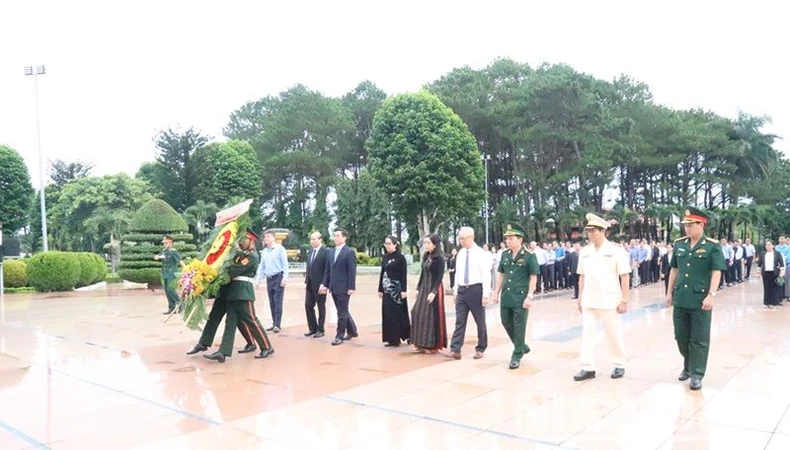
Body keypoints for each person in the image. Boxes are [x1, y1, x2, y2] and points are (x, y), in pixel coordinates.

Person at [666, 207, 726, 390]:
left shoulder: (712, 245)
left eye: (690, 225)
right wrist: (669, 293)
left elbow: (716, 271)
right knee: (681, 337)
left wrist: (711, 295)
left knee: (699, 339)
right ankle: (688, 365)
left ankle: (696, 373)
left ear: (701, 224)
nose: (687, 229)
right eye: (685, 226)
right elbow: (674, 269)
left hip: (701, 300)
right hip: (681, 298)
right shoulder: (679, 244)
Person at [573, 213, 631, 382]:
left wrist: (625, 299)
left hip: (609, 299)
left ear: (603, 231)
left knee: (613, 333)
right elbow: (581, 276)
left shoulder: (616, 250)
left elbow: (625, 275)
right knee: (587, 334)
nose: (590, 234)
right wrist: (579, 297)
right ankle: (587, 367)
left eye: (593, 231)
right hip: (589, 299)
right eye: (588, 231)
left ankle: (619, 364)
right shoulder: (584, 252)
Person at [203, 229, 274, 362]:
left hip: (243, 293)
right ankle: (223, 352)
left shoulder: (252, 256)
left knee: (252, 320)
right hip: (234, 293)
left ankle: (267, 346)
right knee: (230, 323)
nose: (241, 242)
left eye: (244, 240)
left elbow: (233, 270)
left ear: (251, 241)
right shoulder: (242, 254)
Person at [491, 222, 539, 369]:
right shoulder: (504, 254)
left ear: (520, 239)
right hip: (507, 296)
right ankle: (522, 346)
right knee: (506, 322)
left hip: (520, 297)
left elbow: (533, 277)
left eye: (511, 238)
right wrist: (495, 292)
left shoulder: (529, 256)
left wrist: (529, 296)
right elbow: (501, 274)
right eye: (507, 238)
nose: (508, 241)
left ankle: (517, 355)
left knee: (519, 326)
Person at [448, 227, 491, 360]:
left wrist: (485, 294)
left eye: (463, 238)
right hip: (462, 290)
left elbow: (486, 275)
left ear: (471, 238)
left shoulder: (480, 253)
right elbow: (458, 273)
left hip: (476, 290)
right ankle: (455, 349)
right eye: (459, 238)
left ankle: (481, 347)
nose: (461, 241)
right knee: (460, 321)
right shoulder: (460, 253)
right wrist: (455, 291)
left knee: (480, 321)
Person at [411, 234, 447, 353]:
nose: (426, 245)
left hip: (433, 288)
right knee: (416, 312)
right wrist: (417, 288)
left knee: (431, 316)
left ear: (435, 244)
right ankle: (420, 342)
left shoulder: (440, 258)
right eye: (425, 243)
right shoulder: (426, 256)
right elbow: (422, 273)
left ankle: (432, 345)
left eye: (428, 243)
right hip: (424, 287)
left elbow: (439, 277)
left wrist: (434, 292)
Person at [327, 228, 358, 346]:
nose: (335, 238)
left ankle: (339, 335)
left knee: (341, 312)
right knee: (342, 310)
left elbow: (352, 271)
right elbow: (329, 270)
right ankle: (352, 330)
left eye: (338, 236)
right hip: (333, 286)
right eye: (334, 236)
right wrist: (326, 284)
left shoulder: (349, 252)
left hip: (344, 287)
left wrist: (351, 286)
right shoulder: (331, 252)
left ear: (344, 237)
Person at [378, 235, 410, 347]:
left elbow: (403, 275)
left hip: (397, 290)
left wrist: (404, 290)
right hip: (387, 290)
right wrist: (380, 289)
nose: (387, 246)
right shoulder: (385, 257)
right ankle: (391, 338)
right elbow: (382, 273)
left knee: (399, 313)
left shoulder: (400, 258)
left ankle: (404, 336)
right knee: (387, 313)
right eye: (385, 244)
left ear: (395, 244)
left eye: (389, 244)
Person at [255, 230, 289, 333]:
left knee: (278, 301)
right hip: (269, 278)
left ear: (274, 238)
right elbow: (262, 266)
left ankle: (277, 324)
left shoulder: (280, 249)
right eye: (265, 237)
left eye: (268, 237)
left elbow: (285, 264)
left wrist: (285, 277)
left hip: (278, 277)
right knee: (272, 302)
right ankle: (274, 322)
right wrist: (258, 279)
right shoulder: (265, 251)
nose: (266, 239)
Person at [304, 231, 330, 338]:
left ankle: (321, 329)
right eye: (311, 239)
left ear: (320, 239)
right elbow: (309, 267)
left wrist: (324, 284)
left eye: (314, 239)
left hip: (320, 285)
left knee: (321, 307)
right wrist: (306, 281)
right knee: (308, 305)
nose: (312, 241)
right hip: (310, 283)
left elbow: (327, 270)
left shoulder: (326, 252)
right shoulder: (310, 251)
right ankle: (313, 328)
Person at [155, 235, 184, 314]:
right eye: (163, 243)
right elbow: (157, 256)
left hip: (172, 273)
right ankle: (171, 307)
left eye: (166, 243)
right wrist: (157, 257)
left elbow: (181, 262)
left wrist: (186, 270)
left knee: (171, 289)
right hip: (165, 273)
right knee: (167, 291)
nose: (164, 245)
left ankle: (180, 303)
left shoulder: (174, 252)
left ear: (170, 243)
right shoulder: (164, 251)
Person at [756, 240, 785, 309]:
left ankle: (773, 303)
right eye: (766, 245)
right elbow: (759, 264)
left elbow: (781, 264)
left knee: (774, 288)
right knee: (766, 288)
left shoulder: (777, 253)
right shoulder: (763, 253)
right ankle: (766, 303)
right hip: (765, 273)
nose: (768, 246)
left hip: (774, 273)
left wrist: (781, 273)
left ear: (773, 246)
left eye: (769, 245)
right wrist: (758, 272)